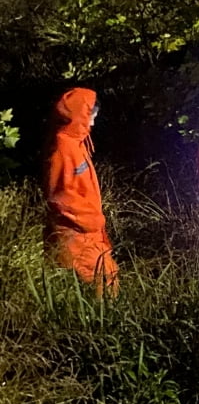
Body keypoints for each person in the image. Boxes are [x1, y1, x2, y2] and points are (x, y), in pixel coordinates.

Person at [43, 87, 118, 295]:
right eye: (90, 117)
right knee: (96, 290)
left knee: (106, 284)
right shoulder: (62, 148)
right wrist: (93, 220)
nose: (92, 123)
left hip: (88, 234)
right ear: (79, 116)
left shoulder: (76, 142)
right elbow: (62, 196)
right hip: (76, 236)